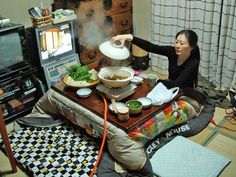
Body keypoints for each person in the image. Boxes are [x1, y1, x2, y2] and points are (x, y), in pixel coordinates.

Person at [111, 30, 200, 89]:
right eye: (176, 42)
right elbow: (151, 47)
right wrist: (130, 37)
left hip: (183, 92)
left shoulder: (193, 63)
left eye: (181, 43)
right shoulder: (172, 51)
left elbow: (176, 84)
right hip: (170, 85)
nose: (177, 46)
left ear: (191, 47)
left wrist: (157, 80)